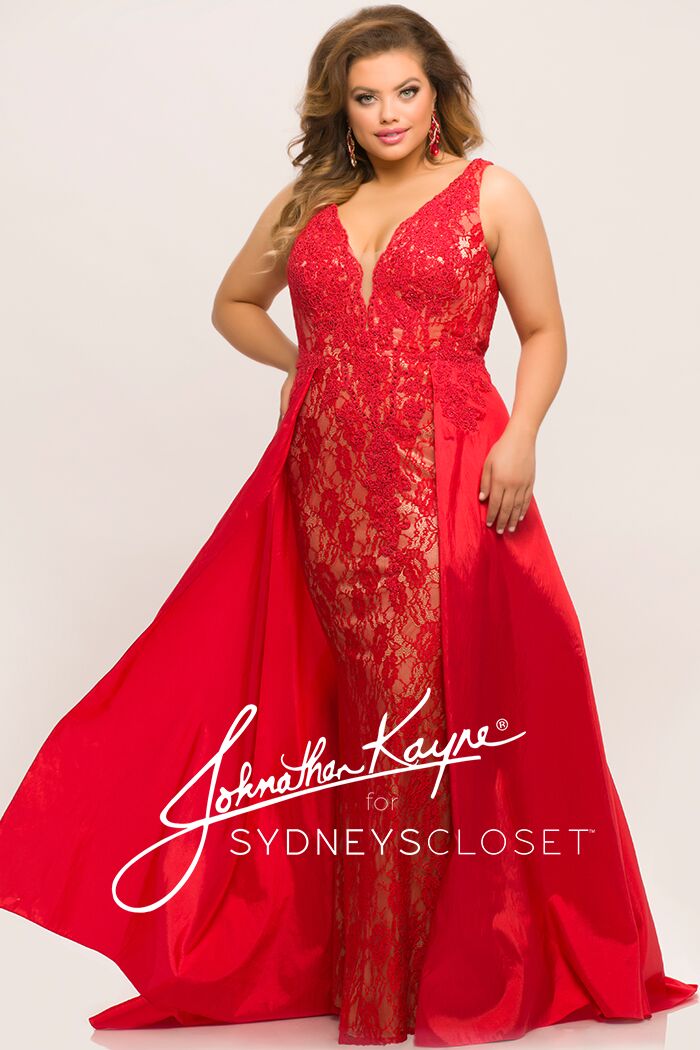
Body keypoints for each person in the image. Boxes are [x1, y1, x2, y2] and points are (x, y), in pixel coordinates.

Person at [0, 5, 696, 1048]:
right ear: (341, 106)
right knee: (355, 708)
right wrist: (303, 368)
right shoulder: (311, 201)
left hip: (451, 474)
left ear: (438, 93)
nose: (387, 113)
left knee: (421, 709)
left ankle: (431, 970)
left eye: (405, 91)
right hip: (327, 485)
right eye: (365, 96)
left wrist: (523, 436)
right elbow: (234, 304)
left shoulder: (492, 193)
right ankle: (365, 966)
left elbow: (545, 329)